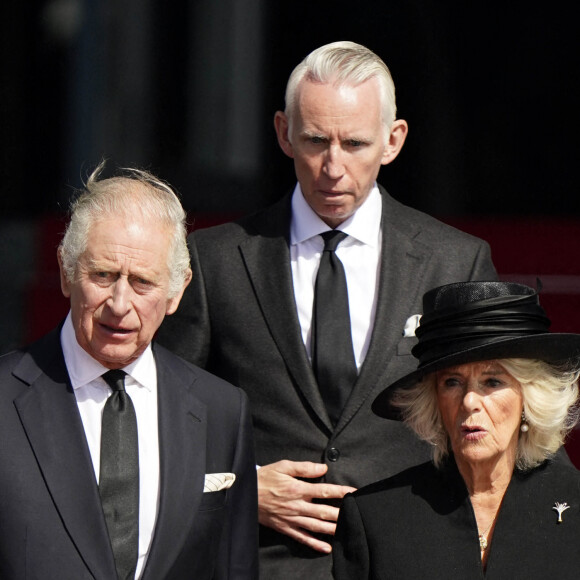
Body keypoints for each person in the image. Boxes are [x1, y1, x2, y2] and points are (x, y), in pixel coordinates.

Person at [157, 41, 497, 579]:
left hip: (410, 558)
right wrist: (237, 486)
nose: (332, 166)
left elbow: (493, 424)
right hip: (261, 563)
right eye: (315, 140)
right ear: (282, 133)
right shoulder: (216, 260)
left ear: (393, 140)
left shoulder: (455, 261)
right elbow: (162, 416)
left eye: (354, 143)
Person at [0, 162, 258, 580]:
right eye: (102, 275)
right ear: (66, 272)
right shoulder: (4, 401)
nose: (120, 304)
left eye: (142, 282)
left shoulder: (221, 411)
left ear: (177, 291)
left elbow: (234, 568)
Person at [333, 281, 580, 579]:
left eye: (492, 382)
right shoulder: (375, 518)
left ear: (528, 397)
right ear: (435, 401)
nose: (469, 401)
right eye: (452, 382)